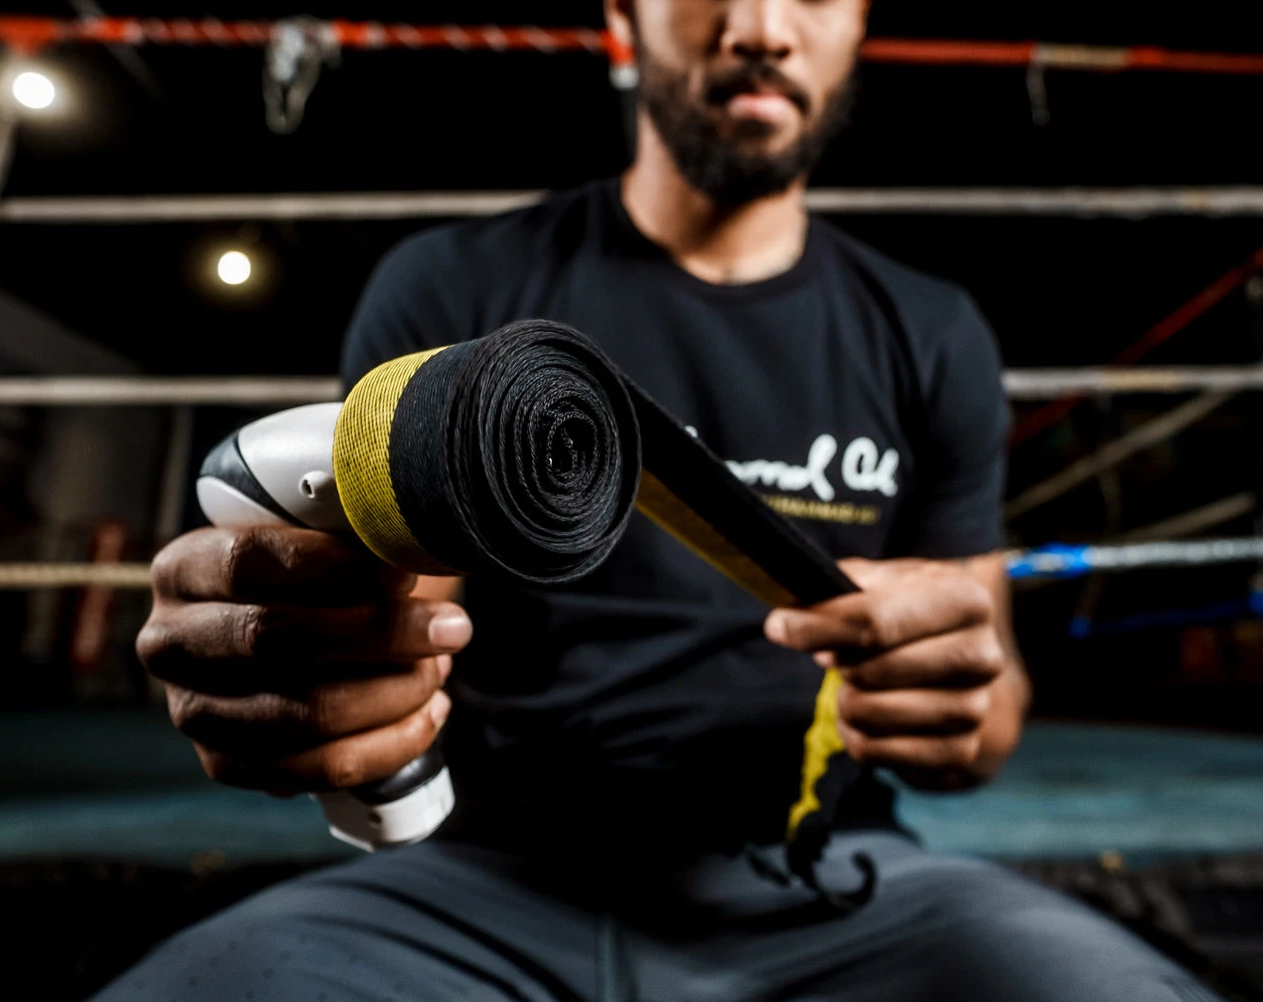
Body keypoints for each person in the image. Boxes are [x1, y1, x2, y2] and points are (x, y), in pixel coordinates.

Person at [107, 1, 1219, 998]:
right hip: (474, 879)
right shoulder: (453, 287)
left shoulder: (932, 334)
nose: (761, 26)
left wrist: (965, 703)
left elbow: (989, 684)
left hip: (826, 879)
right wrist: (305, 655)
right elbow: (395, 628)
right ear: (622, 17)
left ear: (859, 22)